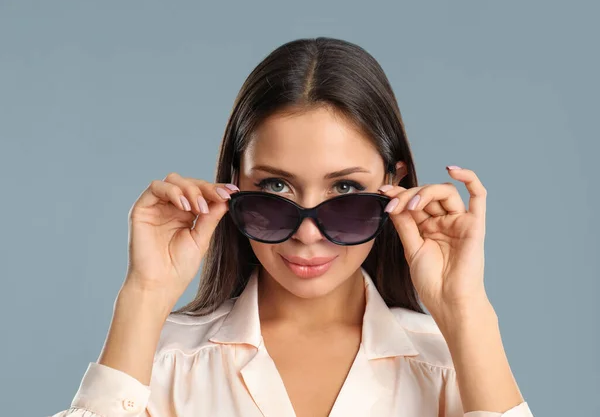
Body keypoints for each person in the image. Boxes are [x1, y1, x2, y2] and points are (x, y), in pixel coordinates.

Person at [50, 37, 534, 417]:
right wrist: (144, 295)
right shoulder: (156, 366)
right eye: (276, 189)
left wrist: (466, 310)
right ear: (232, 185)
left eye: (344, 190)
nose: (307, 233)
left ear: (394, 184)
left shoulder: (453, 368)